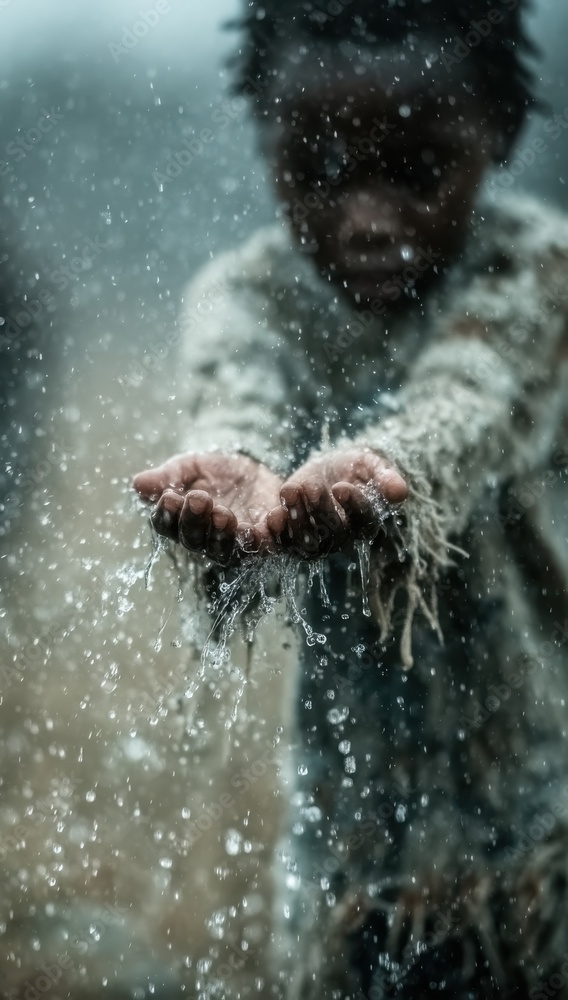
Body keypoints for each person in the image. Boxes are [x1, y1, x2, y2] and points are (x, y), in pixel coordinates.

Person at [133, 0, 568, 995]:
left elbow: (470, 399)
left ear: (495, 137)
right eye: (318, 173)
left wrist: (381, 470)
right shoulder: (246, 296)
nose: (367, 216)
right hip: (346, 855)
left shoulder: (533, 265)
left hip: (542, 824)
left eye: (415, 172)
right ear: (264, 144)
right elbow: (234, 395)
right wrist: (225, 465)